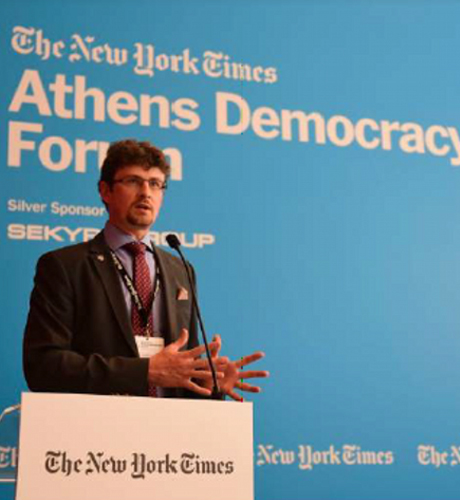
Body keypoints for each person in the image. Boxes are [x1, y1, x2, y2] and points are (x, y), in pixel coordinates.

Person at [23, 139, 268, 400]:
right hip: (93, 431)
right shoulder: (66, 266)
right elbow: (43, 366)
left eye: (155, 183)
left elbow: (179, 376)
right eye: (133, 181)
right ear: (105, 191)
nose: (145, 192)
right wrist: (144, 372)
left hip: (167, 433)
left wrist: (209, 384)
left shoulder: (180, 270)